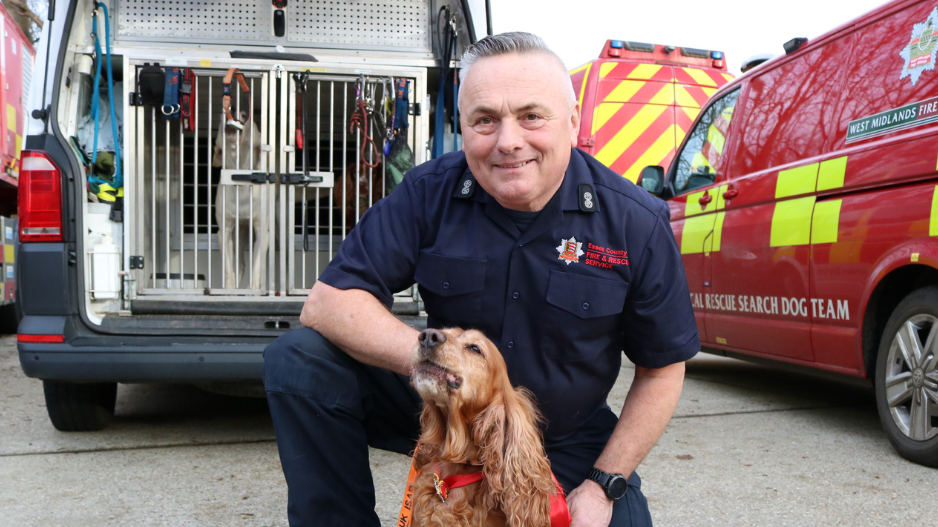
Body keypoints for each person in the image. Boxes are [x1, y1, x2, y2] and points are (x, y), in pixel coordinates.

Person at [263, 32, 699, 527]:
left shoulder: (634, 223)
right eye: (485, 120)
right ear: (464, 126)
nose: (508, 141)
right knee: (299, 360)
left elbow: (663, 369)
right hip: (446, 410)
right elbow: (328, 303)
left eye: (532, 116)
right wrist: (435, 363)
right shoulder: (430, 192)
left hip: (562, 436)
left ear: (573, 121)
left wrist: (604, 484)